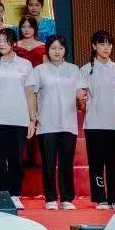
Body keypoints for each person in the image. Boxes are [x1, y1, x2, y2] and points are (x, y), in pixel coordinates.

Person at [27, 35, 85, 210]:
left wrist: (81, 97)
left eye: (60, 48)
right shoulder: (39, 70)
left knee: (66, 163)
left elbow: (80, 92)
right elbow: (31, 94)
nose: (57, 51)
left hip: (68, 123)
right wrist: (33, 116)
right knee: (49, 163)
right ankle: (50, 198)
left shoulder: (74, 70)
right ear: (47, 50)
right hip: (46, 124)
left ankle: (67, 198)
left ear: (65, 50)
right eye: (53, 48)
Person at [0, 29, 35, 209]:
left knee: (16, 160)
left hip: (19, 119)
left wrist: (32, 119)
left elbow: (30, 93)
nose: (1, 44)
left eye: (5, 41)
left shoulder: (25, 64)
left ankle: (15, 194)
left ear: (14, 43)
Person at [79, 30, 115, 210]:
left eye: (109, 44)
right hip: (94, 123)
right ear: (94, 46)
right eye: (102, 44)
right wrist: (88, 105)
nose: (106, 48)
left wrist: (114, 108)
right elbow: (82, 97)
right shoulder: (85, 69)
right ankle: (100, 198)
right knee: (96, 163)